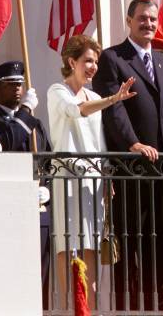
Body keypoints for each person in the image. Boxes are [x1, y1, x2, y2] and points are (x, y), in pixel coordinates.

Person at [92, 0, 163, 310]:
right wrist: (132, 144)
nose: (149, 24)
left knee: (158, 245)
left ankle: (156, 304)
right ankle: (128, 307)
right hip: (131, 170)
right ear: (129, 21)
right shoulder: (113, 58)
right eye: (142, 18)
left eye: (153, 19)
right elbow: (114, 109)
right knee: (130, 244)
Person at [47, 35, 136, 309]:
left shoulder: (96, 96)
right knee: (67, 242)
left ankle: (90, 307)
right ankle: (68, 307)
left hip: (93, 180)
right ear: (71, 61)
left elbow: (100, 142)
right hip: (67, 180)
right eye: (88, 60)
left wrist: (106, 173)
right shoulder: (57, 91)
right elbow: (77, 111)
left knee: (92, 244)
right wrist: (114, 98)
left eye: (96, 61)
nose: (93, 66)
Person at [0, 60, 52, 309]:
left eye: (20, 84)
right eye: (11, 85)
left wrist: (47, 191)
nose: (18, 90)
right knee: (12, 269)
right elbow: (9, 141)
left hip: (39, 209)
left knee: (40, 272)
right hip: (7, 210)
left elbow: (49, 162)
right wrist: (26, 112)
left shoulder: (36, 125)